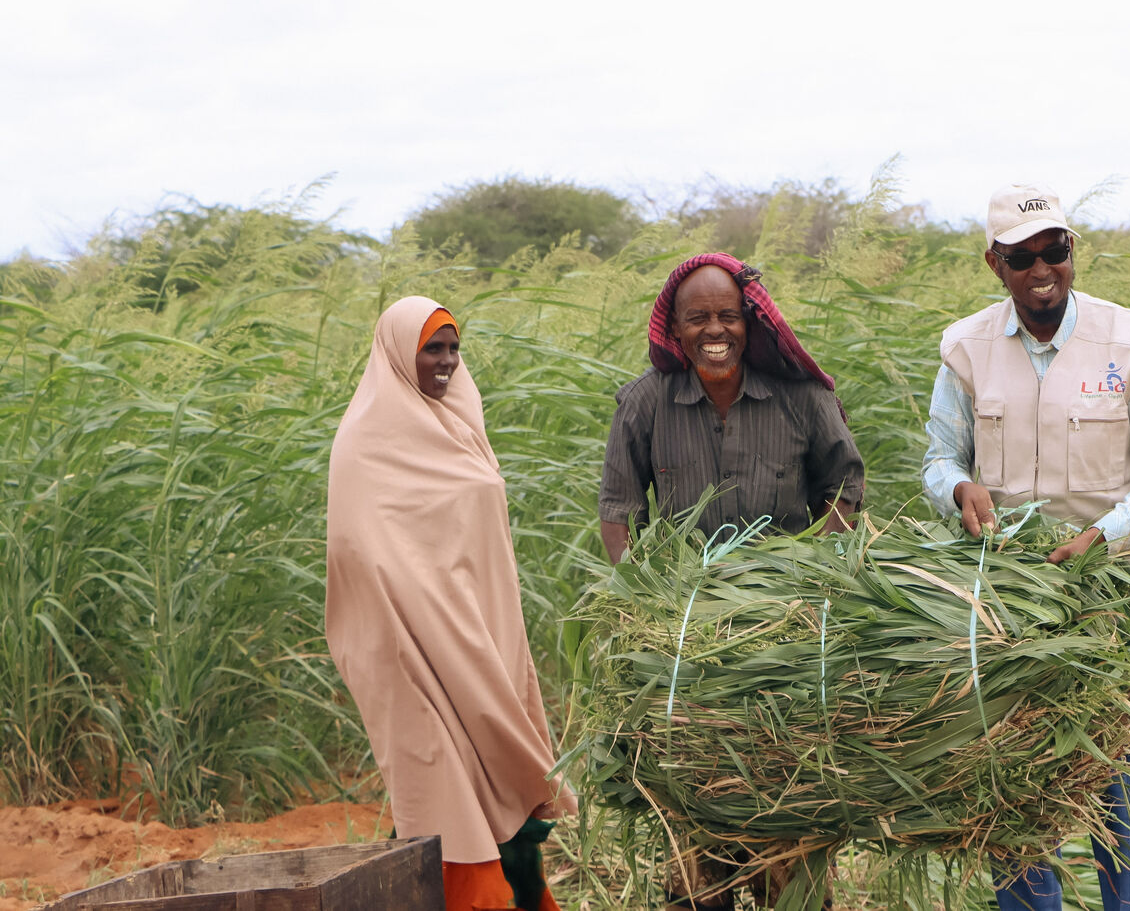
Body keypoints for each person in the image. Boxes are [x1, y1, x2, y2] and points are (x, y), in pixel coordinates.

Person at [922, 183, 1130, 911]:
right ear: (996, 263)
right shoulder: (965, 349)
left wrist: (1103, 536)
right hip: (1013, 624)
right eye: (1022, 257)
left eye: (1056, 250)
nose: (1042, 268)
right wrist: (957, 490)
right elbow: (938, 459)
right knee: (1016, 835)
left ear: (1073, 250)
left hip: (1128, 620)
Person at [598, 252, 862, 910]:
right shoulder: (644, 402)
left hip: (786, 642)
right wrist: (648, 602)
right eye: (698, 318)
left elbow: (846, 487)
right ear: (675, 329)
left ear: (750, 322)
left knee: (786, 823)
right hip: (691, 646)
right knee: (698, 832)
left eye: (728, 315)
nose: (715, 331)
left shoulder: (803, 397)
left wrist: (807, 574)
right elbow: (618, 512)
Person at [326, 296, 575, 911]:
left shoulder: (462, 419)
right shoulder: (366, 441)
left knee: (495, 769)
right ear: (398, 353)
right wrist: (419, 620)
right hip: (408, 646)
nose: (445, 362)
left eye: (452, 348)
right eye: (431, 348)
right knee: (442, 782)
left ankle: (519, 895)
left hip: (479, 632)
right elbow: (361, 553)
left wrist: (468, 623)